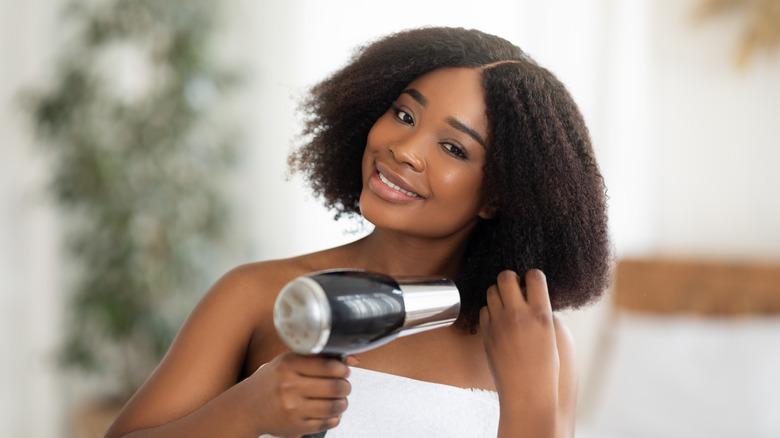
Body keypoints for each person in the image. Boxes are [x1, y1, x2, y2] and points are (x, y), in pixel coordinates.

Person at [104, 26, 611, 438]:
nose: (405, 149)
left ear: (500, 195)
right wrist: (246, 411)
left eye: (454, 148)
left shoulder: (535, 340)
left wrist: (531, 406)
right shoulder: (257, 296)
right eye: (404, 114)